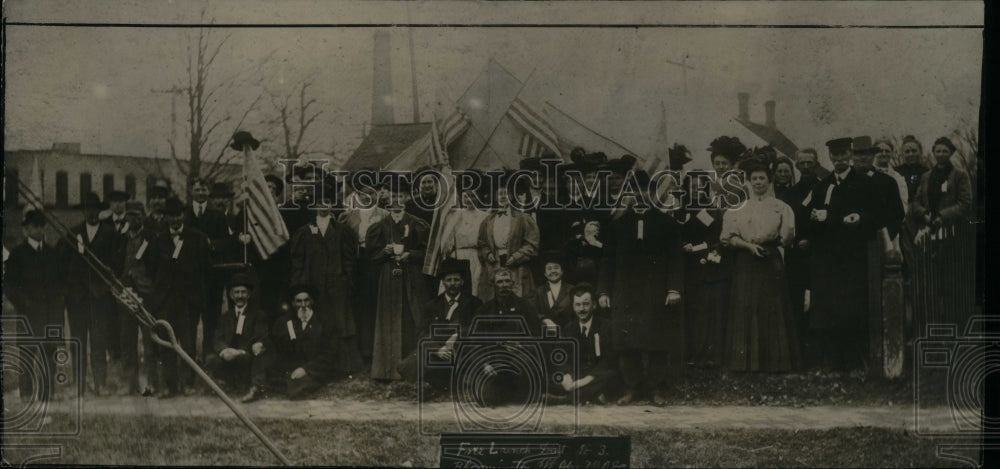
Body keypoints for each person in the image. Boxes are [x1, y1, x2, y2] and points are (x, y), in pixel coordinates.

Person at [597, 170, 684, 405]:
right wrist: (604, 291)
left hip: (655, 292)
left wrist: (673, 288)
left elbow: (676, 259)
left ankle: (655, 389)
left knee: (657, 341)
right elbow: (607, 260)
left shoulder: (667, 224)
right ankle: (631, 388)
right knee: (626, 343)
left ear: (653, 193)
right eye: (634, 190)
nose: (640, 195)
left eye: (645, 190)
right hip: (624, 292)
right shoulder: (617, 225)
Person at [720, 162, 801, 372]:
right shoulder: (738, 208)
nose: (758, 182)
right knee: (746, 306)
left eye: (762, 178)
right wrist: (748, 246)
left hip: (769, 258)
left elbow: (786, 238)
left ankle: (775, 362)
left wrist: (767, 246)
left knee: (772, 307)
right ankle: (744, 363)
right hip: (745, 260)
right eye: (754, 178)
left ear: (769, 180)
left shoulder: (781, 207)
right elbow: (728, 238)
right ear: (748, 181)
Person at [802, 138, 875, 371]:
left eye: (844, 154)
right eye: (836, 155)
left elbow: (874, 214)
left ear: (850, 155)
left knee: (852, 307)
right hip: (827, 259)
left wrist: (860, 217)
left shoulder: (863, 183)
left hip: (851, 258)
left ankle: (854, 361)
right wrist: (814, 220)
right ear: (830, 157)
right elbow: (811, 218)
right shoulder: (823, 185)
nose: (840, 159)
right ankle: (832, 360)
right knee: (828, 308)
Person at [290, 189, 363, 375]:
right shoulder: (303, 231)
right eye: (320, 201)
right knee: (317, 323)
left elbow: (349, 260)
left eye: (327, 201)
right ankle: (318, 367)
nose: (324, 205)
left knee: (341, 323)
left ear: (332, 205)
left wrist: (348, 282)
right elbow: (297, 261)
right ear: (314, 205)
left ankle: (345, 367)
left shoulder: (342, 230)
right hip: (312, 286)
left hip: (337, 285)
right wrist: (299, 286)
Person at [147, 197, 213, 397]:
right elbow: (152, 268)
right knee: (167, 345)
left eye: (178, 215)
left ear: (183, 215)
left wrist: (196, 295)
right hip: (166, 302)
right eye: (170, 216)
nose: (174, 219)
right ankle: (170, 387)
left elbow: (206, 269)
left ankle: (189, 384)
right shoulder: (158, 241)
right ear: (165, 218)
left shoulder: (197, 238)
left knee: (188, 343)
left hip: (188, 302)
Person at [366, 185, 432, 380]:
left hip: (411, 275)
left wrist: (409, 254)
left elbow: (427, 252)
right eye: (393, 196)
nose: (396, 200)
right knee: (389, 317)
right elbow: (371, 257)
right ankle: (387, 369)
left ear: (407, 198)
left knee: (412, 317)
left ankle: (411, 368)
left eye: (400, 195)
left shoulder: (417, 224)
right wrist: (384, 252)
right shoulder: (379, 226)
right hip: (388, 276)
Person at [5, 210, 66, 403]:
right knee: (27, 354)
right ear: (26, 230)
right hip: (29, 314)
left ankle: (48, 393)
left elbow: (59, 282)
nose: (39, 230)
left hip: (50, 313)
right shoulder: (17, 254)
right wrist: (24, 303)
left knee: (49, 354)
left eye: (42, 226)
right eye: (34, 226)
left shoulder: (52, 253)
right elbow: (9, 285)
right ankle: (26, 394)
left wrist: (58, 306)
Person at [64, 192, 121, 396]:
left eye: (95, 209)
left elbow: (116, 265)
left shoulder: (111, 234)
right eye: (88, 209)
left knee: (99, 342)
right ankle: (79, 385)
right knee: (78, 341)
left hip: (100, 298)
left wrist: (104, 286)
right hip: (77, 299)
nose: (92, 212)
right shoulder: (72, 234)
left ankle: (100, 384)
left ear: (100, 210)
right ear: (83, 211)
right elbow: (65, 266)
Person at [400, 258, 482, 389]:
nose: (453, 283)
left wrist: (458, 336)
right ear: (443, 282)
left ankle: (452, 380)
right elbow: (422, 333)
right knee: (412, 362)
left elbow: (477, 329)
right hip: (439, 350)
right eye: (449, 280)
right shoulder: (432, 305)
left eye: (456, 280)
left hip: (461, 348)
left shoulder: (474, 303)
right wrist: (437, 349)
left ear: (462, 282)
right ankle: (433, 381)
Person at [469, 269, 543, 407]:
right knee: (485, 399)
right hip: (494, 360)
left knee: (523, 397)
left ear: (513, 283)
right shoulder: (484, 310)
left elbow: (537, 335)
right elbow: (475, 342)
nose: (504, 285)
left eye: (507, 281)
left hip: (519, 358)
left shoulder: (525, 306)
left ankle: (518, 391)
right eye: (500, 282)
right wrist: (484, 363)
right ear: (493, 285)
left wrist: (521, 344)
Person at [340, 170, 389, 361]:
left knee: (378, 305)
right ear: (357, 195)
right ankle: (363, 351)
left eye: (370, 192)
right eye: (362, 193)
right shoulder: (349, 217)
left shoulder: (385, 215)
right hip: (358, 265)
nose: (366, 197)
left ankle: (381, 351)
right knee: (360, 307)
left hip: (378, 263)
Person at [206, 272, 270, 403]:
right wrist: (224, 350)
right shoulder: (225, 317)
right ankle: (225, 384)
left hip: (246, 355)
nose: (240, 296)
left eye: (243, 292)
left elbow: (260, 335)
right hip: (230, 356)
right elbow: (217, 338)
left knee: (259, 354)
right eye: (236, 292)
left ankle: (255, 389)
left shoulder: (258, 315)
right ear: (231, 295)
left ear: (249, 294)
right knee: (211, 359)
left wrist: (243, 350)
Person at [115, 201, 158, 396]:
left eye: (137, 215)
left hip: (147, 296)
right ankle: (130, 383)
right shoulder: (120, 239)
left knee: (150, 342)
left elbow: (157, 268)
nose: (133, 219)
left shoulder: (151, 238)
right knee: (126, 341)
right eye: (130, 215)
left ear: (143, 217)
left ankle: (152, 382)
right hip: (126, 297)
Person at [268, 284, 338, 399]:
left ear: (312, 301)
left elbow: (330, 352)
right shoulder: (284, 321)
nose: (303, 305)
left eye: (306, 300)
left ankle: (294, 383)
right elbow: (278, 347)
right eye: (299, 301)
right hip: (292, 365)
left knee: (300, 386)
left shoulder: (324, 321)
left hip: (313, 366)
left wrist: (306, 369)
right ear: (293, 303)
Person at [557, 283, 618, 404]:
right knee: (551, 378)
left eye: (586, 304)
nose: (581, 309)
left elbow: (608, 360)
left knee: (612, 378)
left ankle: (565, 399)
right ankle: (592, 396)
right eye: (577, 305)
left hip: (597, 375)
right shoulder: (569, 328)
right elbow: (564, 356)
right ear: (573, 307)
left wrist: (582, 382)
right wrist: (566, 376)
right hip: (577, 374)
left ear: (594, 305)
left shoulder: (605, 326)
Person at [477, 184, 539, 300]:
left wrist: (515, 257)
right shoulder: (488, 221)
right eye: (499, 194)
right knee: (495, 297)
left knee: (518, 297)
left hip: (517, 266)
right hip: (495, 264)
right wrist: (488, 254)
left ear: (511, 196)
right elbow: (482, 243)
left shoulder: (523, 218)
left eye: (506, 193)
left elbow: (532, 243)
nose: (503, 196)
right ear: (495, 198)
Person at [910, 136, 973, 233]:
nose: (941, 154)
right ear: (934, 153)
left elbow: (965, 202)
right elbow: (916, 201)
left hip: (953, 227)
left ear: (951, 153)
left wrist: (942, 216)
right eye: (938, 151)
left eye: (945, 151)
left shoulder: (960, 175)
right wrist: (924, 214)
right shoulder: (926, 176)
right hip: (929, 226)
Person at [439, 186, 490, 297]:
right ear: (461, 198)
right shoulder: (455, 216)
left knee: (475, 287)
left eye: (473, 196)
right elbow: (448, 241)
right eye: (466, 196)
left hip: (476, 256)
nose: (469, 199)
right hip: (458, 256)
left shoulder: (485, 217)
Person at [531, 250, 575, 329]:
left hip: (568, 332)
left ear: (562, 271)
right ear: (545, 274)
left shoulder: (572, 289)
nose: (553, 271)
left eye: (556, 268)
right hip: (545, 333)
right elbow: (533, 311)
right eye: (549, 269)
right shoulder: (538, 291)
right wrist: (544, 319)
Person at [873, 138, 909, 215]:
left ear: (892, 153)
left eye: (887, 151)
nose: (884, 153)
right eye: (880, 151)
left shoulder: (897, 177)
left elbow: (903, 202)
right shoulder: (868, 173)